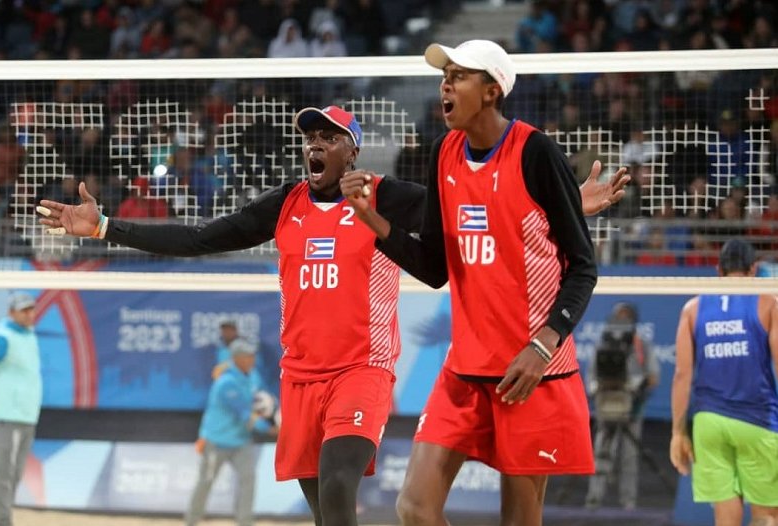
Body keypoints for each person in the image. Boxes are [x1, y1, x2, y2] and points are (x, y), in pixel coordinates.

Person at [37, 104, 626, 526]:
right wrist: (106, 227)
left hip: (362, 372)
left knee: (342, 487)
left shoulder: (381, 195)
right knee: (326, 513)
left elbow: (479, 209)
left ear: (352, 148)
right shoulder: (285, 203)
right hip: (300, 378)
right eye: (309, 136)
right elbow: (199, 237)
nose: (314, 143)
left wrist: (566, 203)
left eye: (329, 135)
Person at [340, 39, 603, 525]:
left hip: (529, 371)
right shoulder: (444, 153)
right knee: (415, 508)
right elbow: (435, 266)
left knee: (519, 519)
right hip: (465, 368)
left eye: (459, 75)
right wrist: (371, 220)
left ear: (490, 90)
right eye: (446, 75)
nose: (445, 83)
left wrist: (542, 345)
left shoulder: (536, 152)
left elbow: (583, 266)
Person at [671, 239, 778, 526]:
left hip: (709, 423)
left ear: (718, 270)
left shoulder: (693, 308)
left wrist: (677, 433)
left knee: (725, 519)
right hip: (758, 420)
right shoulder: (768, 302)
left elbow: (682, 374)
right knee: (767, 516)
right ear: (754, 269)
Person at [186, 338, 274, 526]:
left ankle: (245, 522)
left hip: (241, 441)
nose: (252, 358)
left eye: (253, 355)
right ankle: (191, 521)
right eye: (248, 356)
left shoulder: (252, 375)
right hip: (216, 442)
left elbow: (261, 397)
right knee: (205, 483)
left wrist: (272, 410)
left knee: (248, 481)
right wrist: (271, 429)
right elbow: (245, 414)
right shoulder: (226, 383)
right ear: (237, 358)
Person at [584, 302, 660, 510]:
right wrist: (597, 389)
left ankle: (628, 503)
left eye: (627, 317)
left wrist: (635, 387)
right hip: (606, 404)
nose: (622, 321)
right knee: (601, 452)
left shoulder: (641, 345)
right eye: (619, 316)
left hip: (631, 408)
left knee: (629, 456)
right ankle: (593, 500)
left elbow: (653, 376)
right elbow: (591, 375)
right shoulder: (603, 344)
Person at [0, 293, 41, 526]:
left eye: (31, 309)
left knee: (16, 474)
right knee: (4, 473)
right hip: (6, 415)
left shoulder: (29, 337)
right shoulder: (3, 339)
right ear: (11, 313)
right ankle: (2, 521)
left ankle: (3, 517)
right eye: (24, 310)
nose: (29, 314)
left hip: (27, 415)